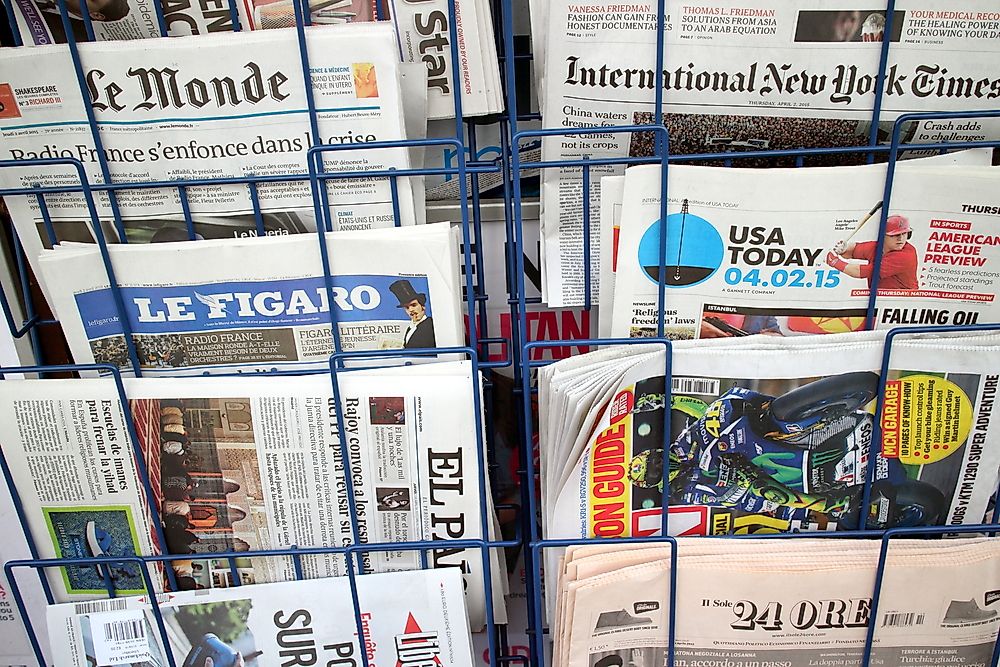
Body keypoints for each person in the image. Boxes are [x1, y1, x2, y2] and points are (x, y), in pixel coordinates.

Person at [824, 214, 919, 290]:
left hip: (904, 304)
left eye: (904, 233)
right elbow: (852, 251)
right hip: (882, 301)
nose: (901, 238)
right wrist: (843, 249)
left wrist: (835, 262)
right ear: (883, 236)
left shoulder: (906, 255)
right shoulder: (876, 247)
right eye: (895, 235)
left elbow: (860, 272)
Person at [389, 279, 436, 349]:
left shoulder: (432, 325)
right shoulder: (409, 328)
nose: (411, 310)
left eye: (414, 305)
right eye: (407, 307)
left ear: (423, 306)